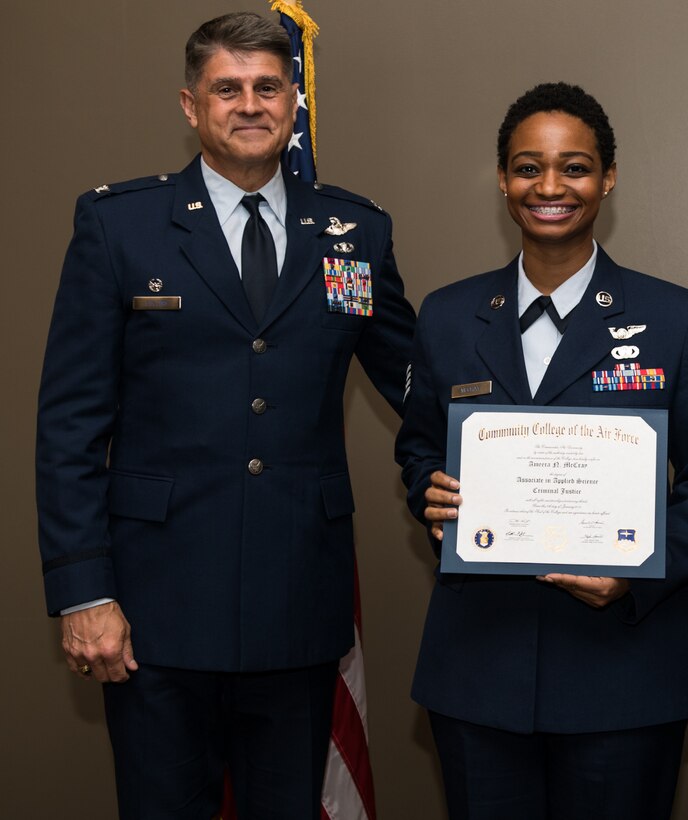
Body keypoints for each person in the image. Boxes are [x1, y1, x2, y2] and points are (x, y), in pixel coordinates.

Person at [35, 12, 415, 819]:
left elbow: (417, 384)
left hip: (297, 605)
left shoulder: (354, 232)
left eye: (267, 88)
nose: (249, 105)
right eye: (227, 88)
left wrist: (532, 438)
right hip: (154, 610)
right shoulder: (119, 226)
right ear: (190, 104)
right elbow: (70, 425)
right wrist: (82, 593)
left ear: (293, 102)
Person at [394, 82, 688, 820]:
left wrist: (639, 570)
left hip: (624, 671)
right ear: (502, 179)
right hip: (479, 667)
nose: (549, 187)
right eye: (528, 167)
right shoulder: (448, 315)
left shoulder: (674, 318)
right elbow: (419, 447)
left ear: (607, 178)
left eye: (574, 167)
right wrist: (433, 493)